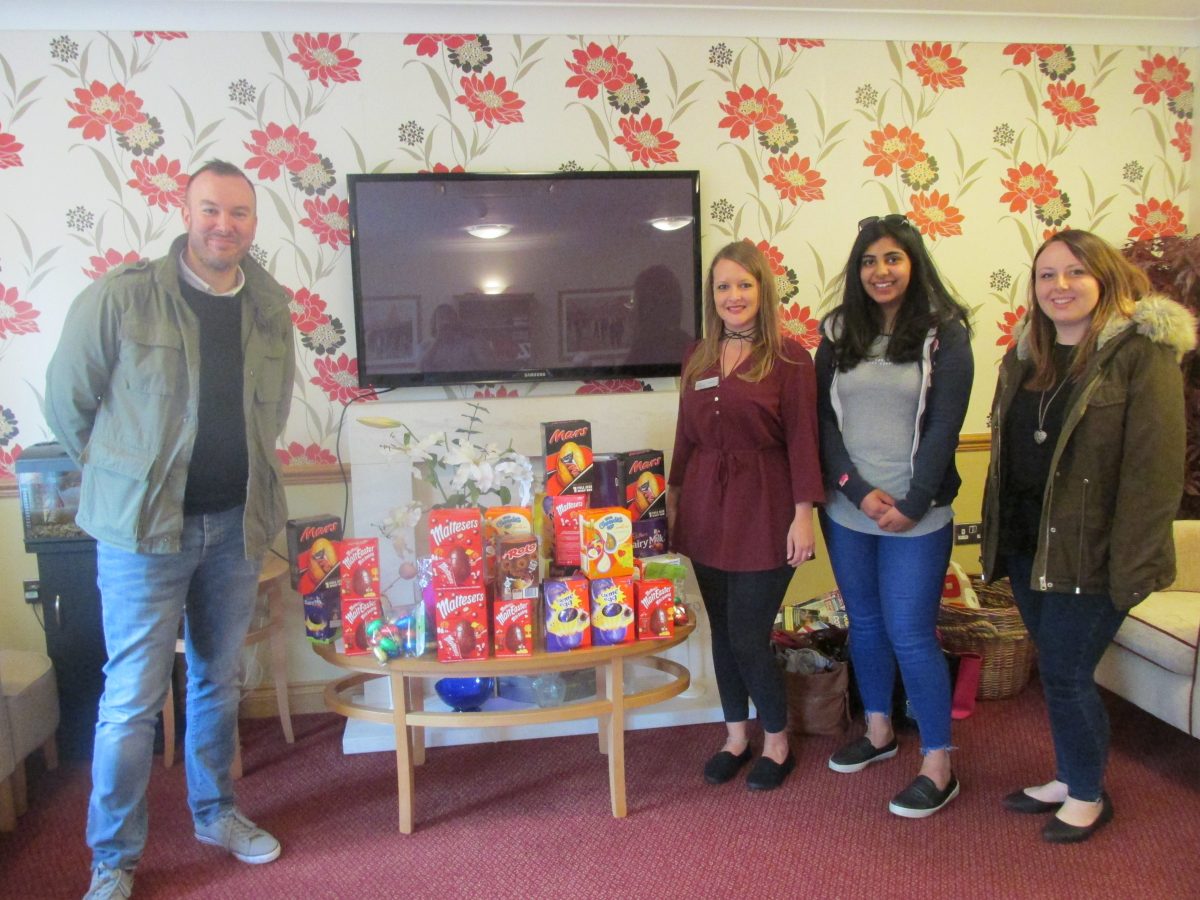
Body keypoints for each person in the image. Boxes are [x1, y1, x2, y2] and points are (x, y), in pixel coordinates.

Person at [45, 160, 296, 899]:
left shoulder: (270, 306)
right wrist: (120, 474)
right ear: (184, 212)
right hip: (140, 536)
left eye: (241, 213)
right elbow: (69, 402)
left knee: (219, 680)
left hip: (235, 526)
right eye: (212, 209)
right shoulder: (123, 299)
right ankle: (112, 859)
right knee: (131, 696)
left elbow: (271, 409)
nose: (226, 225)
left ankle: (217, 814)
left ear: (254, 222)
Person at [981, 230, 1194, 843]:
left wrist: (1129, 566)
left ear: (1104, 278)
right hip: (1029, 545)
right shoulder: (1026, 354)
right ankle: (1069, 774)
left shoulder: (1140, 354)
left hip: (1094, 557)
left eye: (1074, 272)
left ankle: (1088, 793)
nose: (1059, 286)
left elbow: (1155, 474)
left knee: (1070, 673)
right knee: (1055, 668)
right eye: (1046, 275)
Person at [815, 214, 973, 818]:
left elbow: (944, 426)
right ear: (857, 272)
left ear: (913, 264)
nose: (880, 272)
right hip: (851, 510)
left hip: (918, 512)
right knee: (867, 624)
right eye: (869, 262)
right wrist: (856, 491)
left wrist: (912, 502)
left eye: (892, 259)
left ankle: (939, 762)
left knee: (911, 632)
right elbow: (823, 425)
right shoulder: (836, 333)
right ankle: (879, 731)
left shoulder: (944, 334)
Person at [667, 240, 823, 791]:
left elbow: (805, 442)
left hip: (767, 504)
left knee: (748, 633)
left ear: (763, 289)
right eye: (723, 286)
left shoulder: (790, 359)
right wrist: (674, 499)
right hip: (708, 504)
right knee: (721, 628)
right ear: (712, 295)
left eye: (744, 284)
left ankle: (777, 742)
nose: (733, 296)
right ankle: (735, 736)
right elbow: (685, 435)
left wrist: (804, 515)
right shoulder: (698, 356)